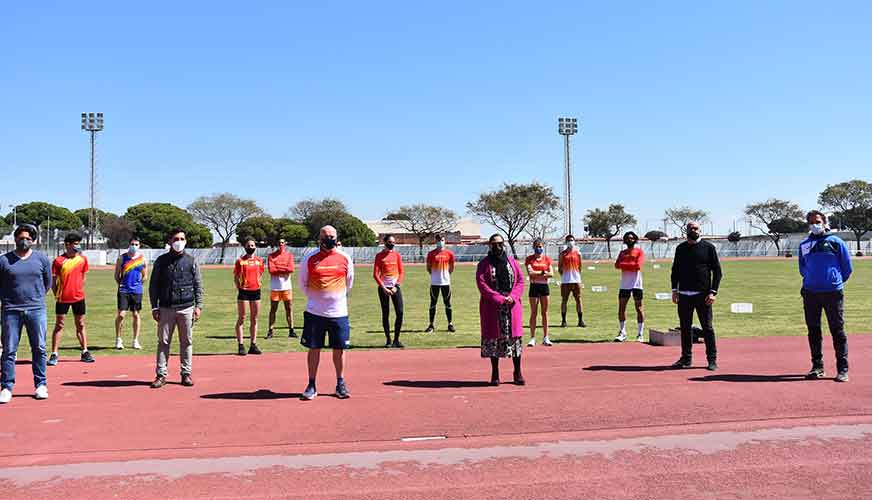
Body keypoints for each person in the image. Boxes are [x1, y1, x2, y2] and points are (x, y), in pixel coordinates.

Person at [299, 225, 354, 400]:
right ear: (320, 238)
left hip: (339, 313)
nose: (329, 238)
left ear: (336, 237)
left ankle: (340, 383)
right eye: (326, 235)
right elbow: (303, 284)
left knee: (339, 349)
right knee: (314, 348)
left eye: (332, 235)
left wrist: (334, 298)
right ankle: (311, 384)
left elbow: (349, 282)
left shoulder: (345, 258)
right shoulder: (309, 258)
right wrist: (319, 298)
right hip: (315, 313)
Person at [799, 210, 853, 382]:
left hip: (832, 293)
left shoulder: (836, 242)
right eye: (812, 222)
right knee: (813, 330)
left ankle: (842, 369)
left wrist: (834, 281)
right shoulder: (804, 245)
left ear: (824, 222)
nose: (815, 225)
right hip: (810, 293)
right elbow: (802, 267)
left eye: (818, 221)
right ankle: (817, 367)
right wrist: (811, 280)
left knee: (837, 330)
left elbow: (846, 267)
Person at [0, 224, 51, 403]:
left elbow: (47, 282)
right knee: (9, 350)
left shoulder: (41, 259)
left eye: (28, 239)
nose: (24, 241)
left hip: (36, 309)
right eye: (21, 238)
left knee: (39, 348)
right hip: (11, 311)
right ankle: (6, 387)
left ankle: (41, 384)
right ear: (15, 239)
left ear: (33, 241)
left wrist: (35, 298)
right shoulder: (4, 260)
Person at [148, 228, 204, 388]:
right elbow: (153, 286)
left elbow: (198, 285)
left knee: (186, 342)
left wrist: (198, 306)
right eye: (176, 239)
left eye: (182, 238)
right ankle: (161, 375)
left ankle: (186, 373)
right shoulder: (161, 261)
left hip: (186, 307)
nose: (179, 242)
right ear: (170, 242)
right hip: (166, 308)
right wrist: (154, 307)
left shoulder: (192, 260)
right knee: (163, 342)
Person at [670, 221, 722, 371]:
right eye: (690, 228)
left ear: (700, 230)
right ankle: (686, 359)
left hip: (703, 296)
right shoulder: (680, 249)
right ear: (686, 230)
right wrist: (674, 290)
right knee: (685, 328)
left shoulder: (708, 248)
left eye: (696, 228)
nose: (693, 230)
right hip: (684, 295)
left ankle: (712, 360)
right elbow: (675, 271)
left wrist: (713, 292)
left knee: (707, 328)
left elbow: (717, 272)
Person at [476, 233, 525, 386]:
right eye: (494, 244)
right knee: (493, 340)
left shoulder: (512, 262)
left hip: (511, 305)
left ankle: (517, 372)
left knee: (514, 340)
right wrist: (498, 298)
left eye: (500, 243)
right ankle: (495, 372)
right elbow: (482, 284)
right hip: (493, 306)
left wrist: (513, 296)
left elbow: (520, 281)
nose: (497, 247)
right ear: (489, 245)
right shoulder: (484, 264)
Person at [48, 232, 93, 365]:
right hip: (62, 298)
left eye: (79, 244)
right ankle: (54, 354)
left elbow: (83, 277)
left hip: (79, 298)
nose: (77, 247)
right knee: (59, 325)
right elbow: (53, 281)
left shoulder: (82, 259)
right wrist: (57, 294)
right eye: (75, 244)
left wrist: (78, 289)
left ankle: (85, 351)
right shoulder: (58, 261)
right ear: (67, 245)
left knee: (80, 324)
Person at [114, 237, 147, 350]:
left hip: (136, 291)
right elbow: (116, 275)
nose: (134, 246)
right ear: (129, 244)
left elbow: (145, 275)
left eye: (136, 244)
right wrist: (122, 284)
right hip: (124, 290)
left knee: (136, 314)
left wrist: (138, 285)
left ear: (139, 246)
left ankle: (135, 340)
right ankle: (118, 339)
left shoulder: (142, 259)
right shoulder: (122, 258)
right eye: (132, 244)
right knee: (121, 314)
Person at [234, 238, 264, 356]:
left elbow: (260, 274)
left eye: (252, 245)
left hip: (256, 291)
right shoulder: (240, 261)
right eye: (248, 245)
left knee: (254, 318)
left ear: (255, 247)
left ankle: (253, 344)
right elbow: (236, 277)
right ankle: (241, 345)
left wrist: (257, 283)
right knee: (242, 318)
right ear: (244, 247)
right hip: (244, 292)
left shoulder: (260, 261)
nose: (250, 247)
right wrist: (240, 288)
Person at [373, 235, 405, 348]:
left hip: (395, 288)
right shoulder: (379, 256)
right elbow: (376, 274)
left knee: (400, 312)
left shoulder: (397, 255)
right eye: (390, 242)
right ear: (385, 242)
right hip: (383, 288)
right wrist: (383, 288)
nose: (392, 244)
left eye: (393, 242)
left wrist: (396, 286)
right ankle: (388, 340)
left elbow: (401, 272)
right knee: (385, 314)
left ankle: (396, 340)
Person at [614, 231, 646, 342]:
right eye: (627, 238)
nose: (630, 239)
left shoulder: (639, 251)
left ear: (635, 239)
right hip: (624, 285)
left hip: (637, 284)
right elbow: (616, 265)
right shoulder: (622, 252)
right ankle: (623, 332)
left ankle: (640, 334)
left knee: (639, 309)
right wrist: (630, 264)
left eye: (632, 238)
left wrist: (624, 264)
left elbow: (638, 265)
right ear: (624, 240)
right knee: (621, 308)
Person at [524, 238, 554, 347]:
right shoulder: (529, 259)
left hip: (544, 287)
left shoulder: (547, 259)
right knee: (533, 312)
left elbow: (551, 274)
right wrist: (543, 272)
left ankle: (546, 337)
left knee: (545, 313)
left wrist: (539, 273)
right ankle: (532, 337)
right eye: (537, 246)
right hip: (534, 286)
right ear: (533, 247)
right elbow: (530, 273)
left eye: (540, 246)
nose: (539, 248)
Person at [266, 238, 296, 339]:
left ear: (285, 244)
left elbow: (291, 269)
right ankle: (270, 330)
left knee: (289, 308)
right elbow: (271, 270)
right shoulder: (271, 256)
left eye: (283, 242)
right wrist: (284, 269)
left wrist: (278, 269)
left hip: (287, 287)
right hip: (275, 288)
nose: (281, 244)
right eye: (279, 243)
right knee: (273, 309)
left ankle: (291, 330)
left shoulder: (289, 256)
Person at [425, 235, 455, 333]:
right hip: (434, 283)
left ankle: (450, 324)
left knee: (448, 304)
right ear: (436, 241)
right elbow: (428, 268)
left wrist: (445, 276)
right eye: (438, 240)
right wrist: (435, 275)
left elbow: (451, 268)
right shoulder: (431, 254)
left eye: (442, 240)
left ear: (445, 241)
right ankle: (431, 325)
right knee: (433, 304)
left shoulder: (449, 254)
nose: (440, 242)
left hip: (446, 283)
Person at [558, 234, 586, 328]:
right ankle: (564, 321)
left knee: (578, 299)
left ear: (574, 241)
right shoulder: (563, 254)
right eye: (569, 240)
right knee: (564, 300)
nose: (570, 242)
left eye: (572, 240)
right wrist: (564, 276)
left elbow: (580, 266)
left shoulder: (578, 253)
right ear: (566, 242)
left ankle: (580, 320)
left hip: (576, 280)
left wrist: (577, 276)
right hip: (565, 281)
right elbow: (560, 267)